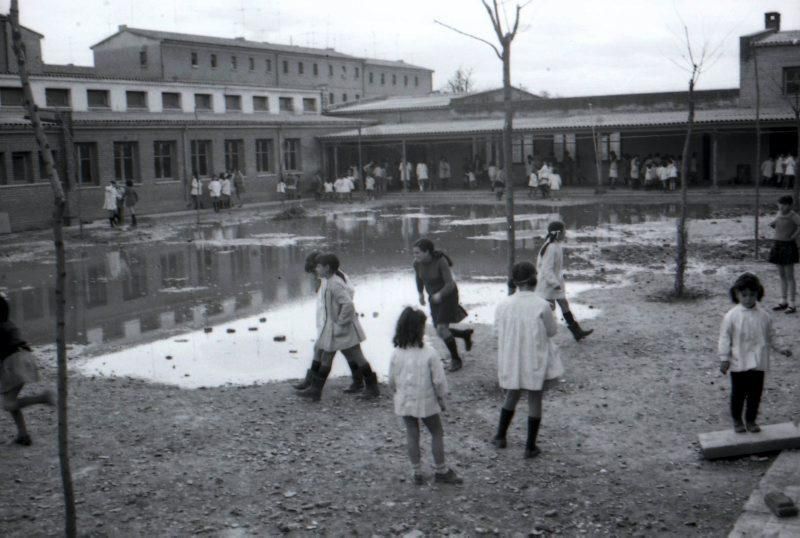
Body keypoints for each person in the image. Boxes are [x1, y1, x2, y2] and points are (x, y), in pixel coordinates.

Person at [493, 261, 562, 458]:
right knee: (534, 397)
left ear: (514, 281)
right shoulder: (542, 305)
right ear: (535, 279)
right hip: (534, 357)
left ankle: (500, 436)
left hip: (512, 357)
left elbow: (496, 332)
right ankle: (530, 446)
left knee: (512, 393)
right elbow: (552, 331)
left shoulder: (503, 304)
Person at [388, 307, 462, 485]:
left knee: (412, 433)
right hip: (426, 400)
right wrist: (441, 399)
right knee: (436, 431)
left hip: (405, 400)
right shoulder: (429, 353)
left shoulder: (396, 353)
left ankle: (417, 472)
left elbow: (391, 380)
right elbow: (438, 381)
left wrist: (398, 393)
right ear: (419, 329)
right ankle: (441, 470)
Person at [299, 253, 380, 401]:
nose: (316, 269)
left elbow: (348, 304)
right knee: (328, 356)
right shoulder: (328, 281)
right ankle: (315, 390)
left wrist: (340, 323)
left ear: (327, 268)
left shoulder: (335, 283)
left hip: (344, 328)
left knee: (357, 357)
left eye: (318, 266)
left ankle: (372, 387)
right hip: (334, 328)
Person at [718, 273, 791, 433]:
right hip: (739, 362)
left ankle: (751, 420)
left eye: (752, 295)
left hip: (758, 363)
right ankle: (737, 420)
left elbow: (771, 335)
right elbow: (725, 338)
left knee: (755, 395)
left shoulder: (764, 316)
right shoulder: (731, 316)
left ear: (758, 294)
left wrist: (781, 348)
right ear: (737, 294)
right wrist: (724, 358)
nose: (748, 299)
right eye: (744, 295)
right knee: (738, 394)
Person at [0, 296, 54, 445]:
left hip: (13, 362)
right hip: (25, 357)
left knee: (8, 404)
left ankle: (42, 398)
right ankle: (23, 434)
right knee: (10, 399)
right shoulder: (8, 324)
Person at [413, 238, 473, 372]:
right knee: (439, 330)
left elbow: (450, 284)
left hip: (448, 295)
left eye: (417, 253)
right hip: (433, 297)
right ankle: (464, 334)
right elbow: (418, 278)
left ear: (427, 252)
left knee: (441, 329)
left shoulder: (441, 261)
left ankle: (456, 360)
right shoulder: (417, 263)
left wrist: (439, 295)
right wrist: (420, 293)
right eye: (414, 253)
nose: (415, 256)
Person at [536, 221, 593, 341]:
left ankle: (576, 332)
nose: (565, 233)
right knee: (549, 309)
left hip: (552, 283)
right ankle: (539, 335)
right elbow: (546, 269)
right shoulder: (551, 247)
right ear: (558, 233)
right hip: (548, 284)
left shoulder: (554, 245)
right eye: (563, 231)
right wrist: (554, 283)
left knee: (563, 305)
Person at [768, 195, 800, 313]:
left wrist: (794, 236)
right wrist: (773, 224)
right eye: (779, 204)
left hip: (788, 246)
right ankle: (783, 301)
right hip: (777, 245)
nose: (781, 206)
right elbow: (775, 223)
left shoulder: (793, 215)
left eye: (784, 204)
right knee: (781, 275)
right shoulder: (778, 213)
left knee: (789, 276)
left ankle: (792, 304)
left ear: (789, 205)